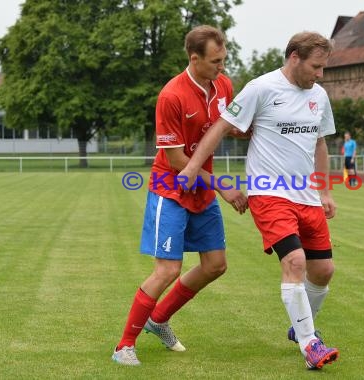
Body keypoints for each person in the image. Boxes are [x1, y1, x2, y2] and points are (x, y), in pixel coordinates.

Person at [179, 31, 339, 370]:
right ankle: (311, 343)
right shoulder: (261, 88)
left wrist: (325, 191)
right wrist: (193, 166)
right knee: (295, 262)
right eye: (316, 67)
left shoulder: (320, 96)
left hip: (307, 196)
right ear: (294, 57)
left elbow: (320, 144)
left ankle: (300, 329)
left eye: (324, 68)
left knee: (323, 270)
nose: (320, 75)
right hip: (269, 193)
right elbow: (222, 126)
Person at [111, 25, 248, 366]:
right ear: (194, 58)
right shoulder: (171, 96)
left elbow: (228, 128)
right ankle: (123, 346)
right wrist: (224, 187)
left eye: (224, 59)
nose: (222, 66)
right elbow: (177, 161)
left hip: (201, 192)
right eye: (216, 61)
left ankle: (158, 321)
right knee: (167, 270)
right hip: (170, 190)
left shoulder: (224, 86)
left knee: (216, 265)